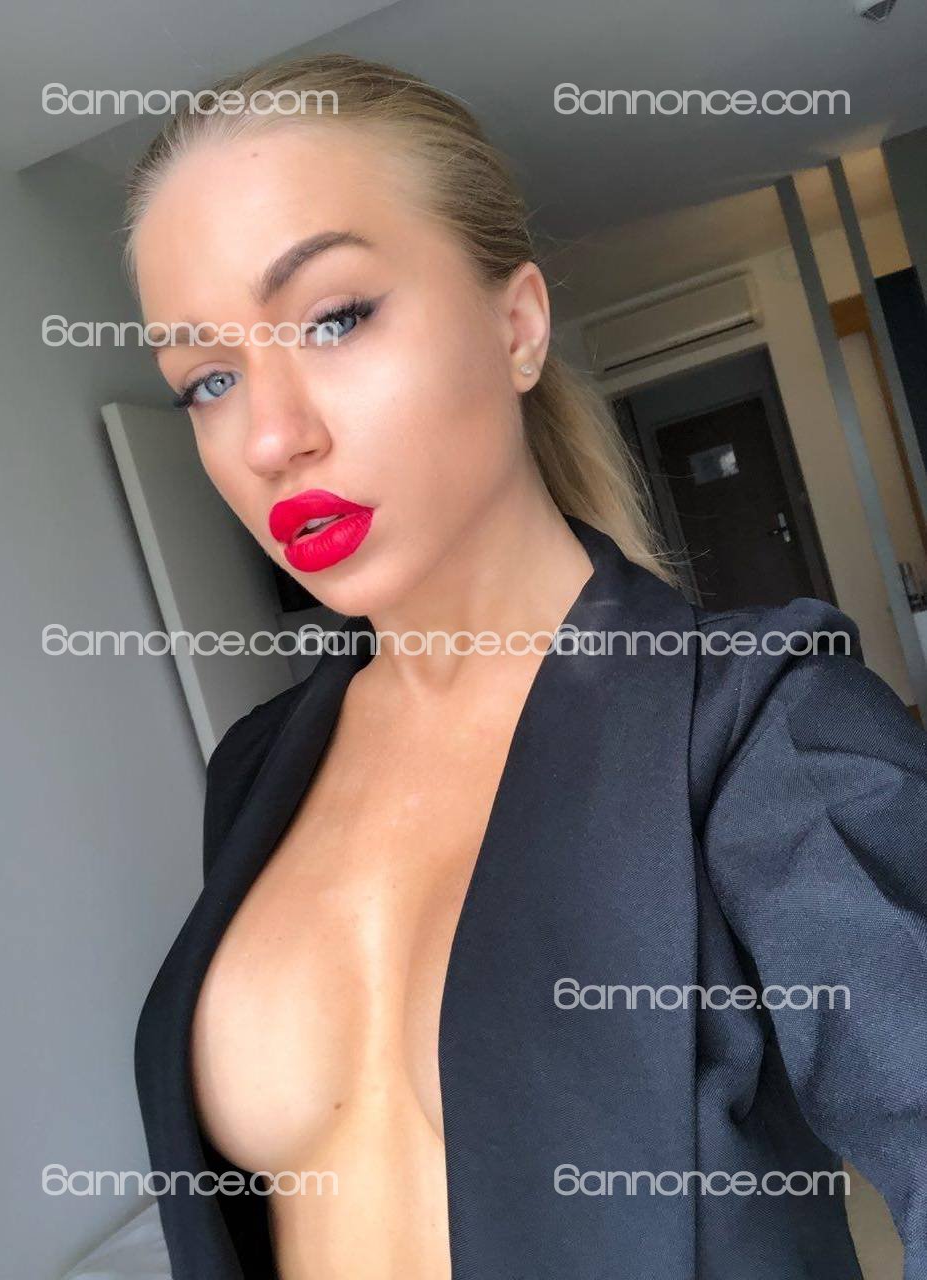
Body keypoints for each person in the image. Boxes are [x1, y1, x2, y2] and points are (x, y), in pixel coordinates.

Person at [126, 53, 927, 1280]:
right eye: (208, 379)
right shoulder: (255, 770)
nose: (270, 435)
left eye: (333, 318)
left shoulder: (763, 734)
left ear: (517, 325)